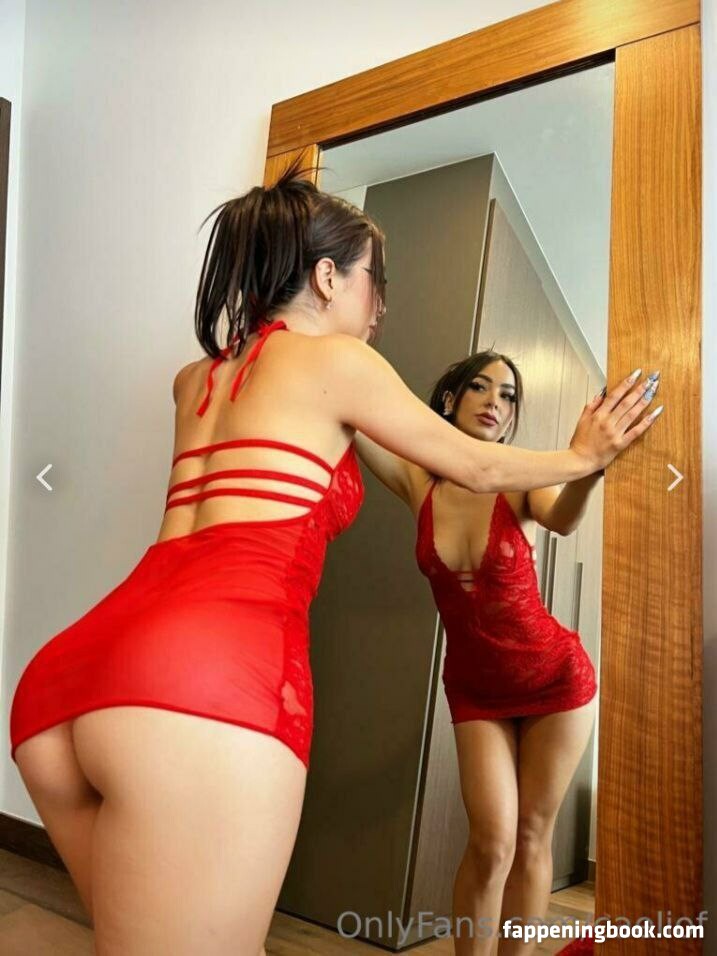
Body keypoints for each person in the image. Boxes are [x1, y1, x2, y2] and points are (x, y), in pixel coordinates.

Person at [8, 161, 662, 955]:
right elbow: (474, 465)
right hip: (203, 674)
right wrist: (583, 454)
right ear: (326, 277)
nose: (379, 306)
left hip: (77, 674)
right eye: (372, 282)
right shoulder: (337, 364)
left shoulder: (197, 379)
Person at [354, 349, 661, 956]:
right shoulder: (418, 479)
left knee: (530, 834)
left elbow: (564, 520)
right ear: (451, 400)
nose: (495, 402)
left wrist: (591, 464)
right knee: (491, 842)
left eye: (509, 395)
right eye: (481, 387)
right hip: (476, 689)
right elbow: (358, 414)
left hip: (554, 680)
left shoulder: (520, 477)